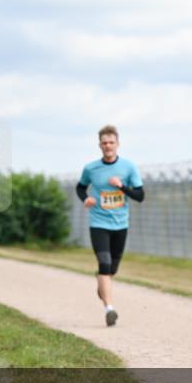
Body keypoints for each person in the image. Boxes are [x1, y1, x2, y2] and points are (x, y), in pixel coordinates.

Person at [76, 125, 145, 327]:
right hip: (98, 222)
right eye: (104, 143)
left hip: (120, 224)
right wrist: (85, 199)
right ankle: (109, 309)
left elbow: (140, 196)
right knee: (104, 264)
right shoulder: (91, 168)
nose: (108, 146)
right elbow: (80, 188)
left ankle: (102, 283)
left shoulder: (129, 167)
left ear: (117, 144)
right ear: (100, 145)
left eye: (111, 142)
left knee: (111, 269)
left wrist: (122, 186)